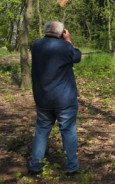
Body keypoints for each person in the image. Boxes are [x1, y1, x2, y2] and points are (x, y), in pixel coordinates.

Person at [27, 21, 82, 175]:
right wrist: (69, 40)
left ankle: (35, 166)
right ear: (61, 32)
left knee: (42, 131)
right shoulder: (65, 47)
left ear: (46, 31)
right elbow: (77, 57)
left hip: (43, 98)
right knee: (68, 131)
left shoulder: (36, 45)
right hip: (64, 99)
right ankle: (72, 168)